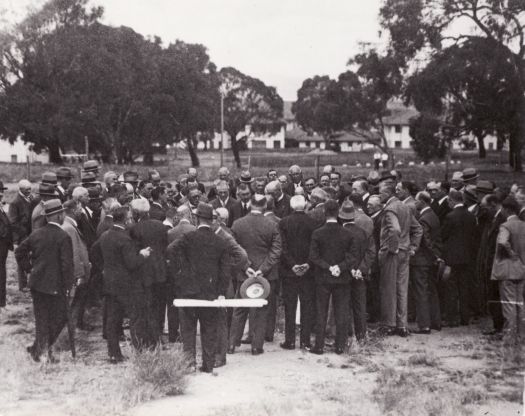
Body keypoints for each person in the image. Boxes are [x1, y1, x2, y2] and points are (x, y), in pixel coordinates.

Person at [171, 202, 230, 372]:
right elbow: (225, 272)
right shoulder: (220, 241)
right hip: (210, 294)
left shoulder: (188, 238)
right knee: (209, 329)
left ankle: (189, 364)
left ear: (196, 219)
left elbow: (171, 251)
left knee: (188, 330)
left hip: (189, 292)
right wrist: (220, 291)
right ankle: (208, 364)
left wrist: (180, 277)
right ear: (211, 220)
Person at [15, 199, 73, 362]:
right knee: (60, 318)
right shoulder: (63, 236)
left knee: (42, 319)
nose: (63, 216)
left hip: (37, 284)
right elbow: (66, 265)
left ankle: (39, 349)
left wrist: (29, 269)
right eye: (61, 213)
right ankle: (41, 350)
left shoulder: (37, 233)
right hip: (56, 286)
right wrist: (68, 286)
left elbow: (19, 252)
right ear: (58, 216)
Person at [92, 206, 152, 363]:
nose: (132, 220)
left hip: (110, 283)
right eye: (131, 218)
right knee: (135, 318)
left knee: (113, 320)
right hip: (127, 286)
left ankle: (113, 353)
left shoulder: (105, 235)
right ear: (125, 220)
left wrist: (104, 268)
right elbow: (132, 263)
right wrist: (142, 255)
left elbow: (94, 251)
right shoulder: (125, 239)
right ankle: (139, 352)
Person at [229, 194, 282, 355]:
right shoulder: (272, 225)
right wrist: (263, 269)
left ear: (250, 204)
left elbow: (232, 249)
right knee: (261, 311)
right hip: (265, 276)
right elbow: (276, 250)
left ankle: (232, 344)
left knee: (239, 309)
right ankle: (256, 346)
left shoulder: (237, 224)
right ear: (265, 206)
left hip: (244, 275)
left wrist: (246, 267)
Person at [308, 200, 359, 354]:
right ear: (338, 213)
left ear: (324, 212)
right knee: (341, 312)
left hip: (323, 277)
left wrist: (328, 267)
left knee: (321, 311)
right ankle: (340, 346)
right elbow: (353, 257)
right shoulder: (348, 233)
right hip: (342, 278)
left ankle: (319, 346)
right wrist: (340, 267)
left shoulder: (317, 233)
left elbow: (313, 256)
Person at [378, 181, 422, 337]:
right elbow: (418, 229)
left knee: (389, 288)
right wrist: (413, 247)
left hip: (393, 252)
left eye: (381, 193)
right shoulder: (405, 207)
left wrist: (392, 248)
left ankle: (389, 324)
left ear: (389, 194)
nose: (378, 195)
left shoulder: (390, 208)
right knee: (402, 289)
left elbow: (395, 229)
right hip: (405, 252)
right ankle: (402, 325)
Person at [278, 195, 316, 350]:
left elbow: (283, 247)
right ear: (305, 204)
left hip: (289, 271)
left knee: (290, 306)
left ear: (292, 206)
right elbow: (315, 248)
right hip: (308, 271)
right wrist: (307, 264)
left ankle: (290, 340)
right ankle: (305, 340)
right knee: (307, 305)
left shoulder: (284, 222)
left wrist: (292, 265)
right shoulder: (313, 223)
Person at [129, 199, 168, 343]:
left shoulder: (134, 229)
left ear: (135, 212)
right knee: (158, 305)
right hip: (161, 271)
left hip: (143, 273)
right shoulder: (161, 226)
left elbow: (134, 251)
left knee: (145, 305)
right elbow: (165, 247)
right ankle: (157, 335)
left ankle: (146, 337)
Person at [338, 201, 374, 343]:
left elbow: (341, 255)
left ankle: (346, 336)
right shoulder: (364, 233)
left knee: (343, 305)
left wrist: (350, 269)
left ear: (341, 217)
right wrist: (361, 269)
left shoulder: (340, 234)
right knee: (360, 306)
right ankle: (361, 337)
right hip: (360, 276)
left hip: (344, 275)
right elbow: (371, 253)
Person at [441, 189, 478, 326]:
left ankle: (451, 318)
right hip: (467, 257)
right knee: (464, 287)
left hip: (452, 258)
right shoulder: (471, 216)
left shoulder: (450, 216)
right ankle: (465, 318)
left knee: (451, 288)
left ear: (451, 200)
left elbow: (443, 235)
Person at [491, 196, 525, 340]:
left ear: (506, 209)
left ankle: (510, 335)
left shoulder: (505, 225)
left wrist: (511, 254)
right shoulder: (523, 224)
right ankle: (521, 334)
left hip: (507, 269)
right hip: (521, 268)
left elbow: (502, 242)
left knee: (509, 304)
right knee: (520, 303)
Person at [410, 191, 442, 334]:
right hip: (431, 261)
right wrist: (437, 257)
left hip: (422, 260)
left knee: (421, 291)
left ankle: (424, 325)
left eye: (416, 201)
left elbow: (426, 241)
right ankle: (435, 321)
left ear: (422, 201)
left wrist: (433, 256)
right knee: (432, 290)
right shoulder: (433, 215)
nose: (415, 203)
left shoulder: (423, 218)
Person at [166, 205, 197, 342]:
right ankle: (188, 333)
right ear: (190, 215)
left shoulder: (171, 232)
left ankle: (173, 333)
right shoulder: (195, 230)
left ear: (178, 216)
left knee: (173, 303)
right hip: (192, 272)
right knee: (190, 303)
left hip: (175, 271)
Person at [61, 199, 92, 331]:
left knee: (79, 302)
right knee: (75, 303)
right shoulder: (69, 228)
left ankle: (76, 326)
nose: (81, 211)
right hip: (78, 274)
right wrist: (79, 274)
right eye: (79, 209)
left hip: (80, 271)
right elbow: (73, 252)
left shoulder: (71, 225)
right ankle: (71, 332)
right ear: (73, 211)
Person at [8, 179, 33, 290]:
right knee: (21, 258)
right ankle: (22, 285)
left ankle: (30, 282)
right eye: (26, 189)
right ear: (20, 189)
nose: (29, 191)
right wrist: (23, 233)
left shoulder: (30, 198)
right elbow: (12, 222)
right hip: (21, 236)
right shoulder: (15, 202)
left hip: (30, 234)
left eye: (30, 189)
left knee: (30, 257)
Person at [0, 182, 13, 309]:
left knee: (2, 274)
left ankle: (2, 302)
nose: (2, 195)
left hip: (3, 249)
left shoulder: (1, 207)